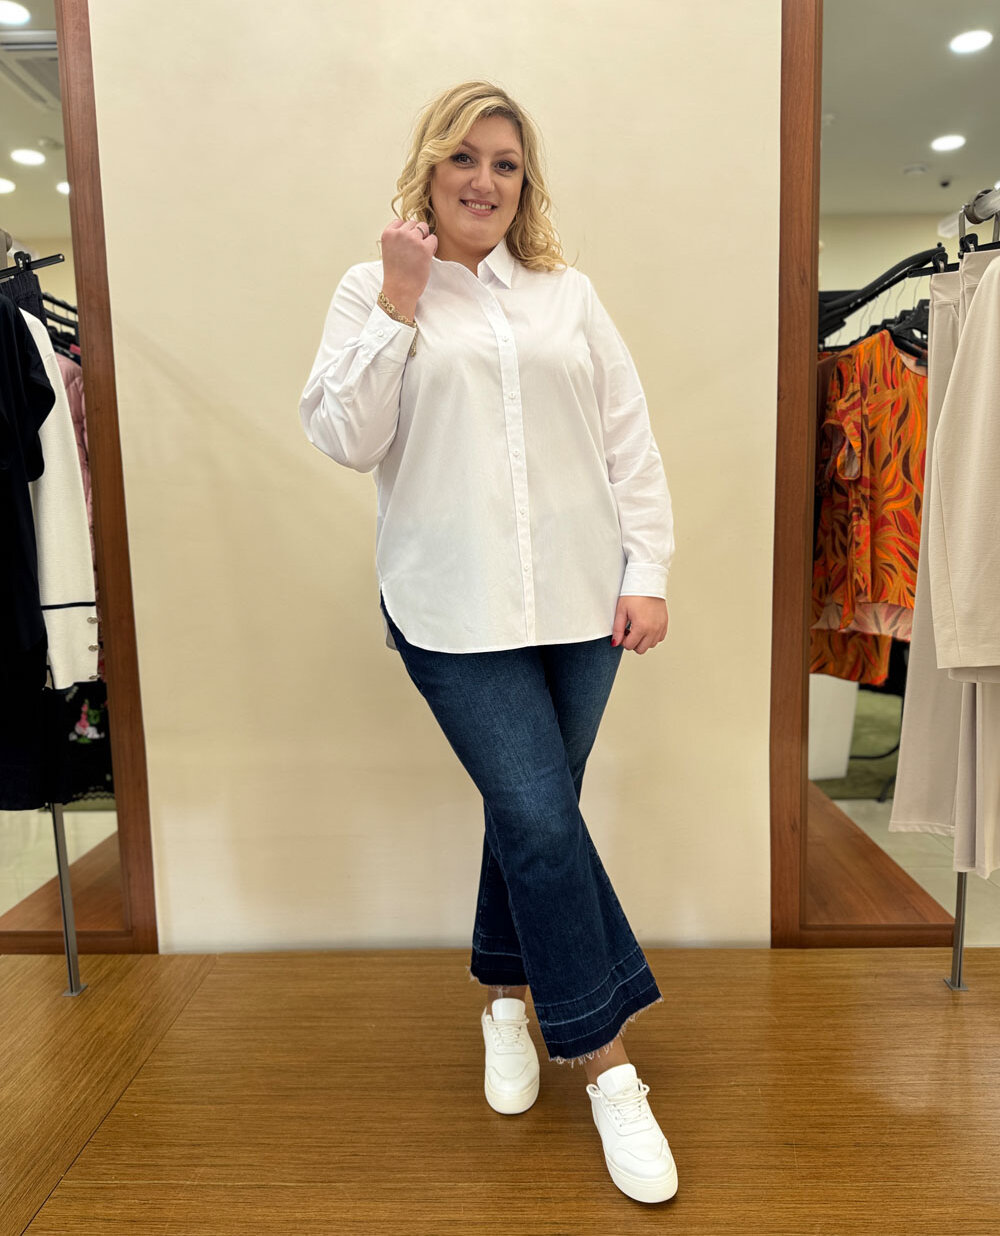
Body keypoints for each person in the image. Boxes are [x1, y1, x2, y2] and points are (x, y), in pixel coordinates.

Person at [299, 80, 677, 1205]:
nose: (484, 180)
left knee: (530, 818)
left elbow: (628, 440)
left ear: (525, 183)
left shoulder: (568, 295)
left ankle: (507, 1003)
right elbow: (343, 437)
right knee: (542, 823)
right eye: (464, 157)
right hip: (450, 610)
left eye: (505, 163)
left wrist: (647, 573)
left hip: (582, 607)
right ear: (429, 167)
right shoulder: (373, 288)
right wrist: (399, 304)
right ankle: (608, 1068)